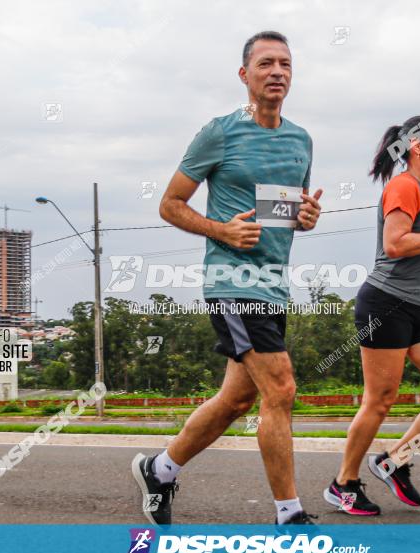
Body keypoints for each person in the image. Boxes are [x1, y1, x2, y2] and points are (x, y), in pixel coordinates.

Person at [131, 30, 323, 526]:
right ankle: (289, 514)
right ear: (245, 76)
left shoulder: (301, 139)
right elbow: (170, 204)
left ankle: (160, 469)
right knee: (280, 389)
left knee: (238, 398)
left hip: (274, 284)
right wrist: (221, 230)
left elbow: (285, 210)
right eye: (265, 64)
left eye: (284, 63)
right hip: (232, 282)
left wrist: (305, 216)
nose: (277, 71)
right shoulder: (219, 132)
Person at [322, 116, 420, 515]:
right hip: (387, 303)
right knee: (380, 400)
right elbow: (393, 244)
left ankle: (394, 460)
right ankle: (343, 484)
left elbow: (414, 244)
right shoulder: (404, 186)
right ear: (417, 147)